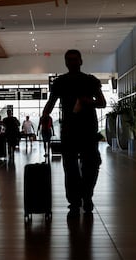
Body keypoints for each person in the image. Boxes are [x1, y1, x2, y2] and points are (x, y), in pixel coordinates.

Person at [43, 49, 106, 219]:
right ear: (66, 62)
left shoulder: (88, 81)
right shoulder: (63, 82)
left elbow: (102, 102)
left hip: (85, 129)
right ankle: (78, 200)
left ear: (80, 61)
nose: (72, 62)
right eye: (69, 60)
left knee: (88, 166)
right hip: (72, 129)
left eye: (74, 59)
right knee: (72, 167)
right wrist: (44, 117)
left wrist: (87, 102)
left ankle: (84, 197)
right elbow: (51, 102)